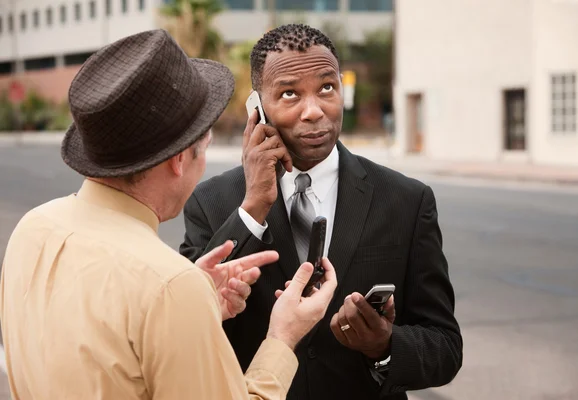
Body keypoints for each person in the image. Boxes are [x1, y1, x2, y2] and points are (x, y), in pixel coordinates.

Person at [0, 29, 337, 400]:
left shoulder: (33, 228)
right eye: (204, 147)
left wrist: (190, 301)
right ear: (179, 160)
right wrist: (282, 338)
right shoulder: (170, 286)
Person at [180, 24, 463, 400]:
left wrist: (384, 344)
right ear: (258, 108)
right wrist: (253, 208)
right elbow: (187, 326)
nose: (314, 111)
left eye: (327, 88)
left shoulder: (407, 201)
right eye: (290, 93)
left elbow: (445, 347)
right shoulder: (211, 201)